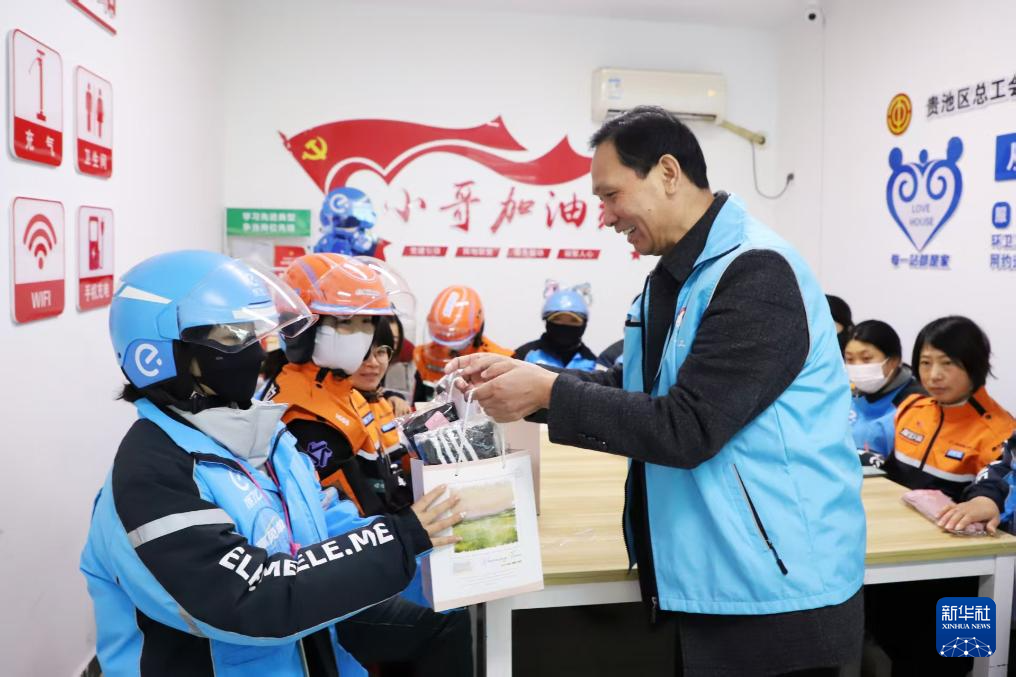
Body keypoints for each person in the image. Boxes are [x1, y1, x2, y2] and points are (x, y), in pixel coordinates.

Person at [448, 106, 865, 676]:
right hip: (714, 572)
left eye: (611, 195)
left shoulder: (756, 273)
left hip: (777, 591)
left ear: (668, 172)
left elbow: (688, 427)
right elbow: (638, 388)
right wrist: (525, 382)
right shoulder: (676, 278)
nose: (604, 216)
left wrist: (547, 391)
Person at [79, 250, 468, 677]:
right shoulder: (152, 479)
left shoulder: (267, 440)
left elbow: (328, 527)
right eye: (231, 338)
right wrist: (402, 539)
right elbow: (254, 598)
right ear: (157, 356)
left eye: (255, 334)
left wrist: (440, 555)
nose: (253, 352)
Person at [262, 253, 415, 518]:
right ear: (303, 328)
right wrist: (411, 528)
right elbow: (354, 509)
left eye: (366, 322)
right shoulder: (304, 412)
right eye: (345, 322)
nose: (361, 335)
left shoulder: (343, 389)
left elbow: (378, 476)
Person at [883, 315, 1015, 501]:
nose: (934, 375)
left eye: (947, 363)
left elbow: (995, 499)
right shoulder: (911, 407)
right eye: (926, 363)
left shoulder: (1000, 433)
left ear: (975, 364)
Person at [412, 284, 512, 402]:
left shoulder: (499, 359)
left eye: (456, 337)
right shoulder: (426, 357)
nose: (448, 343)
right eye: (443, 337)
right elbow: (418, 402)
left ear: (476, 329)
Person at [843, 320, 924, 460]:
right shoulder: (847, 395)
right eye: (850, 359)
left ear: (893, 361)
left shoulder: (916, 402)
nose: (857, 366)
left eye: (866, 358)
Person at [515, 281, 600, 371]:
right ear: (547, 321)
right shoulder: (523, 355)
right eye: (557, 319)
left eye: (574, 320)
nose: (565, 326)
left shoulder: (593, 363)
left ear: (584, 324)